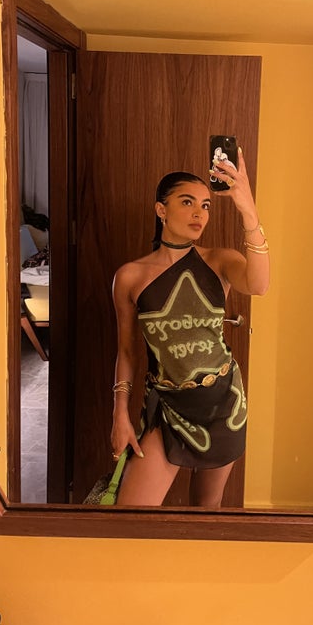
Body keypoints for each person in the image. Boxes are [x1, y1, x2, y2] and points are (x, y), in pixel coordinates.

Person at [110, 147, 269, 508]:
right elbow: (127, 351)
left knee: (205, 515)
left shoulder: (220, 261)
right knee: (130, 518)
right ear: (161, 210)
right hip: (166, 407)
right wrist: (120, 414)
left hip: (224, 405)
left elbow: (259, 285)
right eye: (187, 202)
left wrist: (247, 208)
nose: (199, 213)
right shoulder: (129, 276)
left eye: (206, 205)